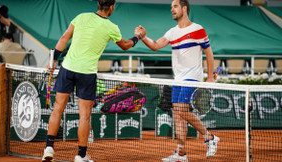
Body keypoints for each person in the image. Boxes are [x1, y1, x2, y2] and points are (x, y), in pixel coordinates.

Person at [42, 0, 143, 162]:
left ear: (98, 4)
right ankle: (81, 155)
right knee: (84, 116)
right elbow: (125, 45)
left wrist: (53, 59)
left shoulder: (81, 17)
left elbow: (63, 37)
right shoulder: (111, 27)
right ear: (111, 7)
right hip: (86, 73)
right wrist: (138, 36)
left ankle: (48, 148)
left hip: (67, 68)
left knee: (57, 110)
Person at [135, 0, 220, 161]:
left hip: (192, 78)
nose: (172, 10)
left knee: (181, 110)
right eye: (171, 7)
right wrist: (143, 37)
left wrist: (210, 77)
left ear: (184, 8)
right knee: (178, 115)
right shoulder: (172, 32)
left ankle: (209, 137)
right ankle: (181, 153)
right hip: (178, 79)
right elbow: (155, 45)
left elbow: (209, 53)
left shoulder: (198, 29)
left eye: (175, 6)